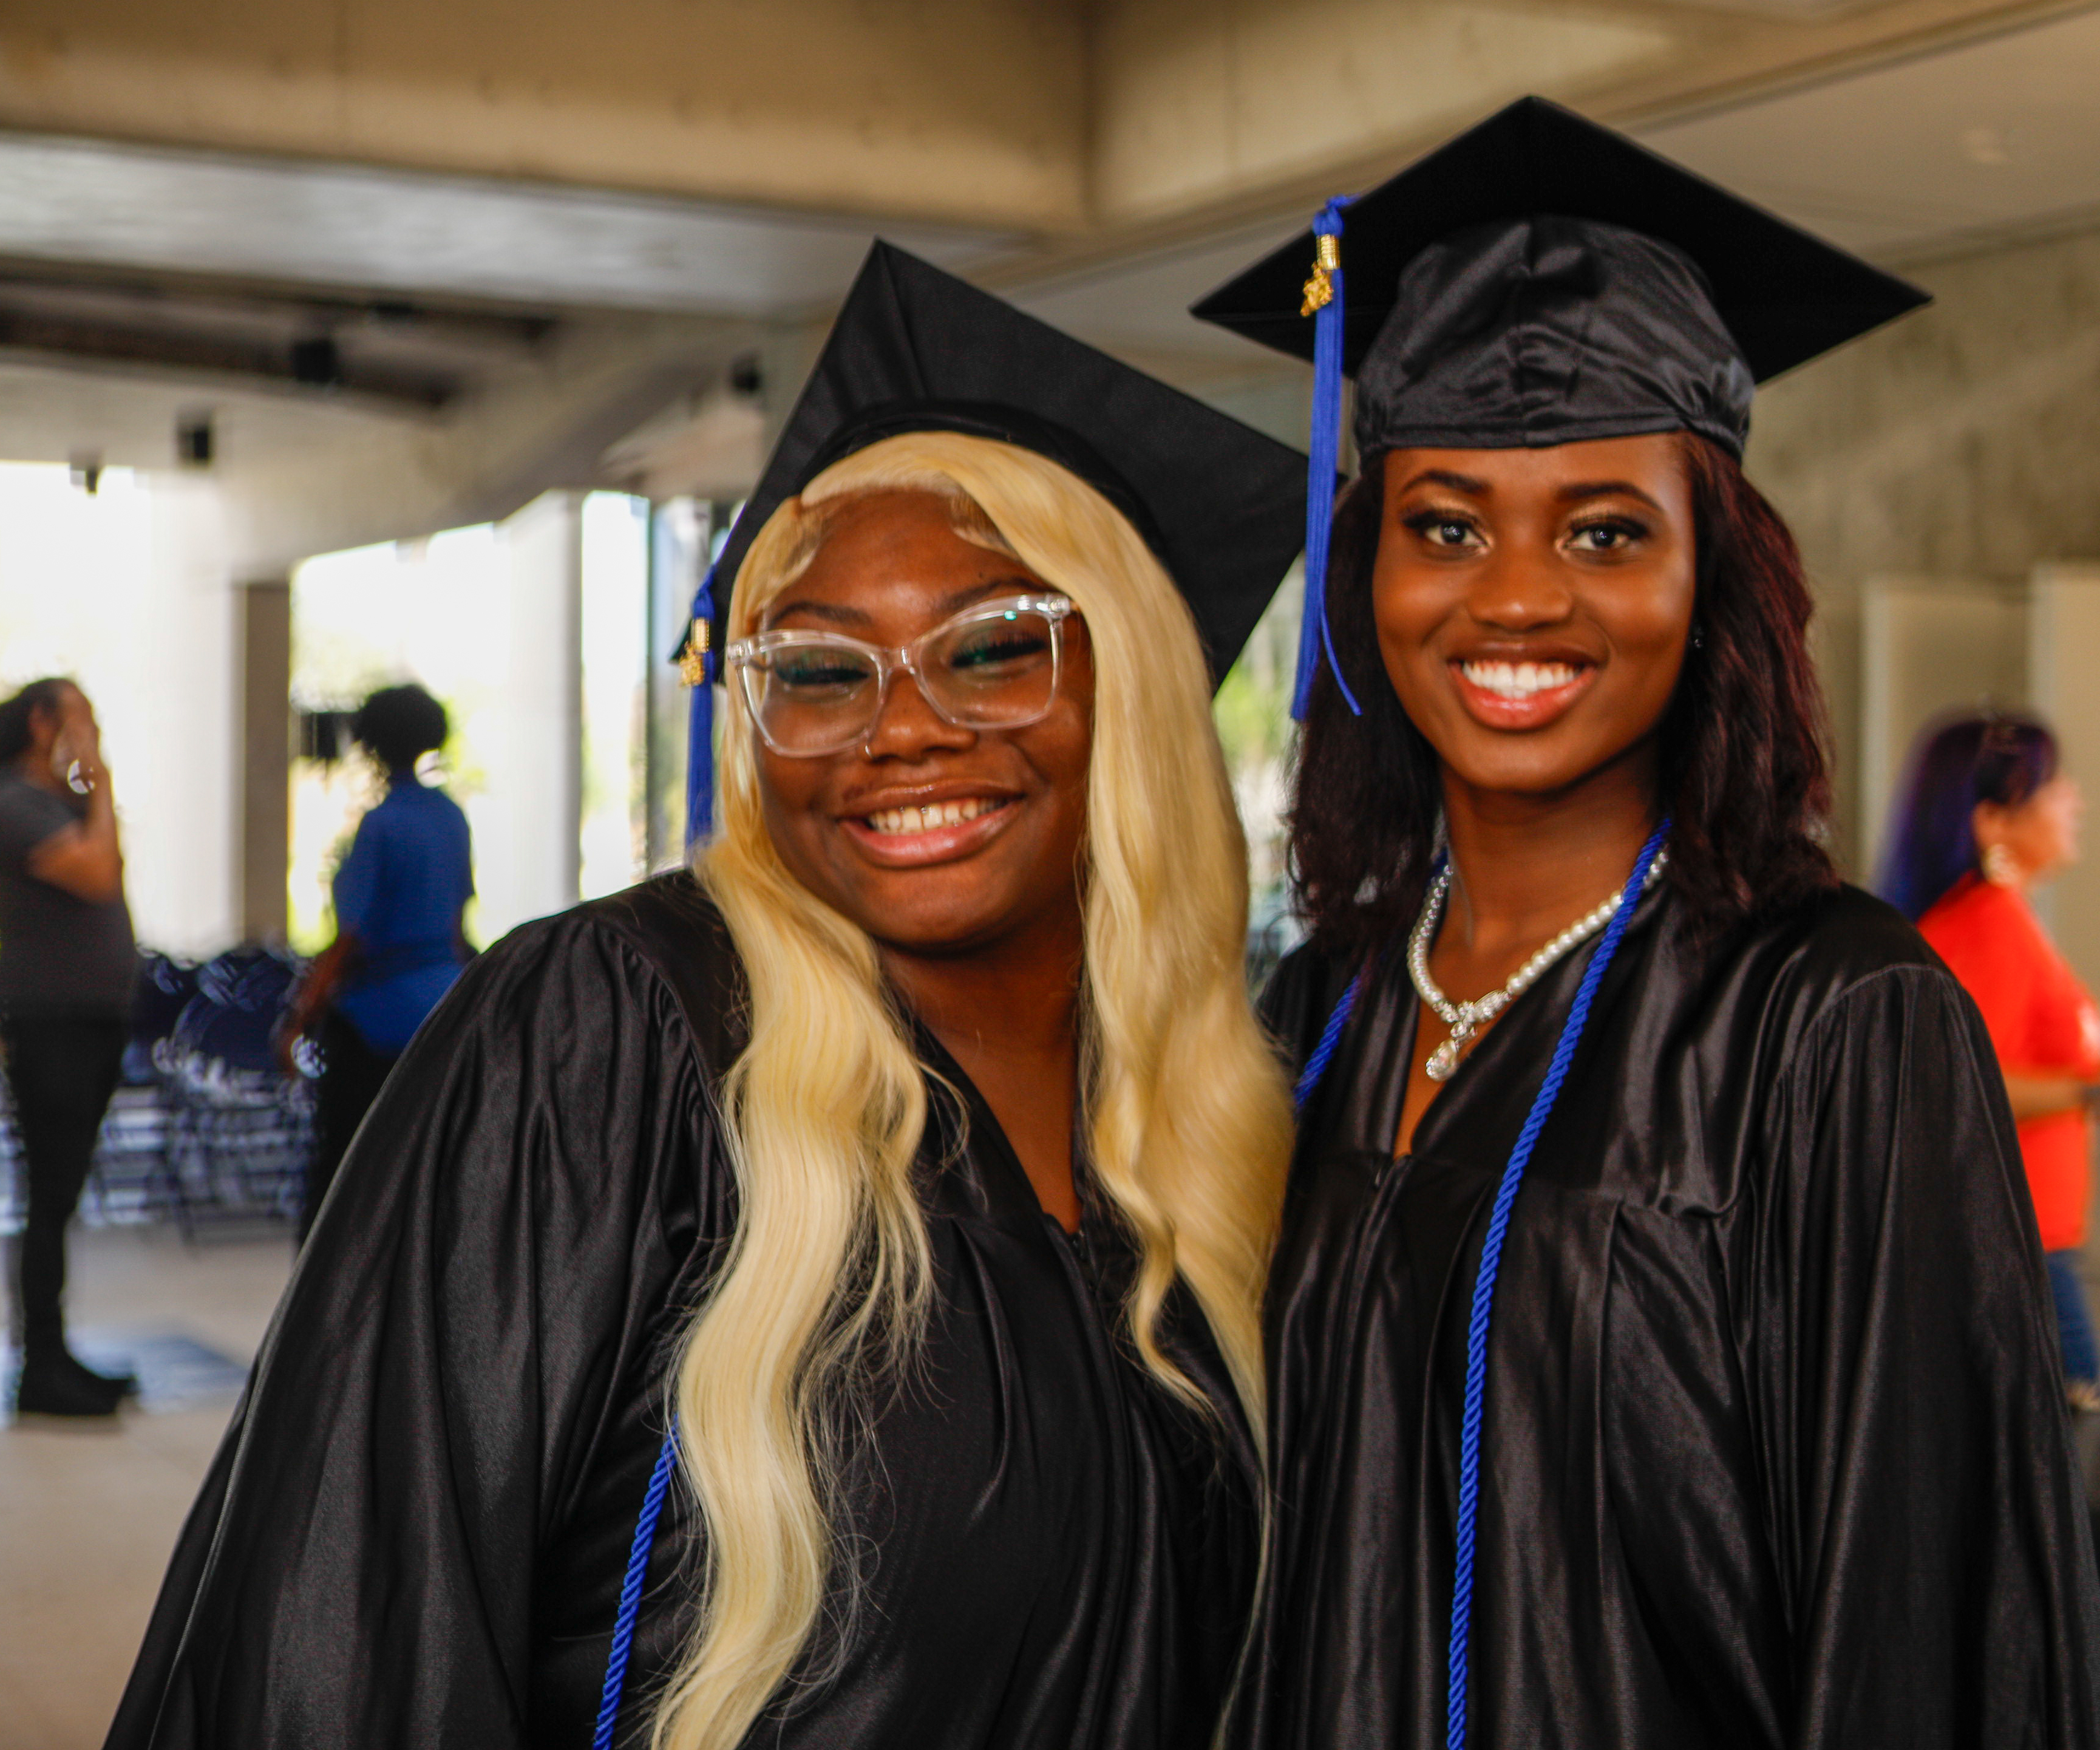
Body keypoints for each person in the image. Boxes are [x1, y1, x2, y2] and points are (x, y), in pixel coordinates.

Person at [107, 245, 1305, 1749]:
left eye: (992, 647)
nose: (903, 728)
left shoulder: (1206, 1152)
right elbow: (355, 1613)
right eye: (816, 670)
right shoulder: (619, 1039)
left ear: (1123, 684)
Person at [1194, 98, 2100, 1748]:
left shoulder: (1832, 1019)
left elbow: (1922, 1612)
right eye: (1447, 525)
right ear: (1369, 578)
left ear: (1715, 585)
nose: (1520, 594)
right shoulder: (1322, 1007)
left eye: (1608, 530)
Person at [1877, 709, 2100, 1750]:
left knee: (2075, 1510)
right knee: (2084, 1513)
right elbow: (1951, 1073)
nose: (2075, 803)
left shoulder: (2003, 918)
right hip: (2022, 1262)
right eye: (2055, 789)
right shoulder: (1972, 924)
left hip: (2042, 1253)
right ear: (1992, 818)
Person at [0, 677, 143, 1418]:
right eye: (80, 718)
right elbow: (99, 872)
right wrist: (100, 779)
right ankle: (40, 1365)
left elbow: (109, 864)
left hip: (89, 1018)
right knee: (50, 1194)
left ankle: (57, 1351)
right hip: (52, 1021)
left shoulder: (56, 801)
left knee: (62, 1198)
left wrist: (91, 788)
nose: (90, 730)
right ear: (42, 723)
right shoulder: (11, 801)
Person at [281, 682, 475, 1241]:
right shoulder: (451, 818)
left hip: (377, 1021)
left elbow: (351, 939)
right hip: (442, 1014)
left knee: (342, 1168)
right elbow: (459, 923)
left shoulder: (381, 825)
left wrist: (301, 1016)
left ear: (370, 745)